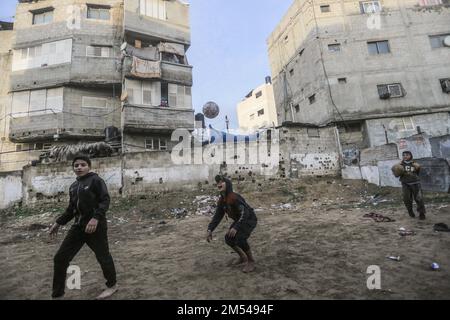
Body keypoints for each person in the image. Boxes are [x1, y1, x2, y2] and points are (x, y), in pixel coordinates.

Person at [49, 155, 118, 299]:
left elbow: (105, 200)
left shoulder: (96, 180)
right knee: (60, 258)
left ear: (89, 167)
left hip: (95, 227)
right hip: (78, 228)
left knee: (103, 256)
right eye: (76, 165)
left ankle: (112, 285)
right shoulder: (74, 187)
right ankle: (57, 295)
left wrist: (95, 218)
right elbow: (71, 209)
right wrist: (58, 222)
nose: (79, 167)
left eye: (82, 164)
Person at [206, 175, 258, 273]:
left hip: (249, 219)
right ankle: (243, 257)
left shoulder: (234, 197)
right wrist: (210, 229)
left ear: (228, 184)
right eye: (217, 182)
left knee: (240, 238)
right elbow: (217, 216)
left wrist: (236, 227)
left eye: (221, 181)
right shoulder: (222, 201)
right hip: (240, 220)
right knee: (228, 238)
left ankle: (251, 261)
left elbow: (245, 213)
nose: (219, 184)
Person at [393, 151, 426, 220]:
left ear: (410, 155)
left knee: (419, 198)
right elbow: (396, 175)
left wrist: (417, 168)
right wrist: (397, 169)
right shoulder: (400, 165)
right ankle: (410, 211)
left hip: (416, 183)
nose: (405, 156)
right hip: (405, 184)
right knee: (406, 199)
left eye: (407, 155)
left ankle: (421, 213)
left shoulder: (415, 164)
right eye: (403, 155)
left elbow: (418, 173)